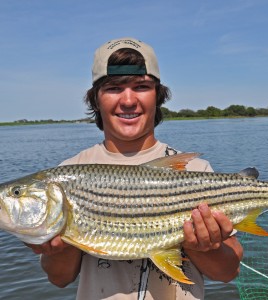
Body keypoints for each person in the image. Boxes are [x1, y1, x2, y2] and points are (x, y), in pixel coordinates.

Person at [27, 37, 243, 300]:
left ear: (158, 96)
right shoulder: (69, 172)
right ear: (96, 99)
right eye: (114, 88)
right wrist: (57, 246)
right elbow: (59, 279)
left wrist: (200, 245)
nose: (128, 100)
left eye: (141, 87)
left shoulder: (196, 170)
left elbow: (227, 272)